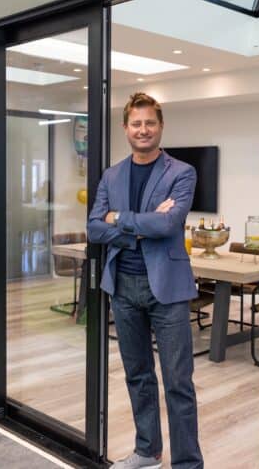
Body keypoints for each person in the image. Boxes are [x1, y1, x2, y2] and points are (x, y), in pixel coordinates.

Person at [88, 92, 202, 469]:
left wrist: (117, 219)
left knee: (177, 382)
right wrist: (140, 225)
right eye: (136, 123)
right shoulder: (112, 174)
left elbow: (169, 224)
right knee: (138, 375)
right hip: (121, 287)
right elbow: (92, 228)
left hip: (167, 290)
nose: (143, 129)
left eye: (149, 123)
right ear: (125, 128)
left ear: (160, 126)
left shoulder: (181, 172)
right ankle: (147, 451)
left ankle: (187, 464)